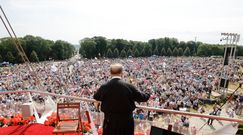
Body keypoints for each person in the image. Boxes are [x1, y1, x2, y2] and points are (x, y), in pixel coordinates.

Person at [93, 63, 150, 135]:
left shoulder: (104, 86)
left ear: (110, 73)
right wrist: (148, 93)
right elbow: (142, 98)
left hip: (109, 122)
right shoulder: (128, 86)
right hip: (126, 122)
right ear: (122, 73)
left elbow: (96, 96)